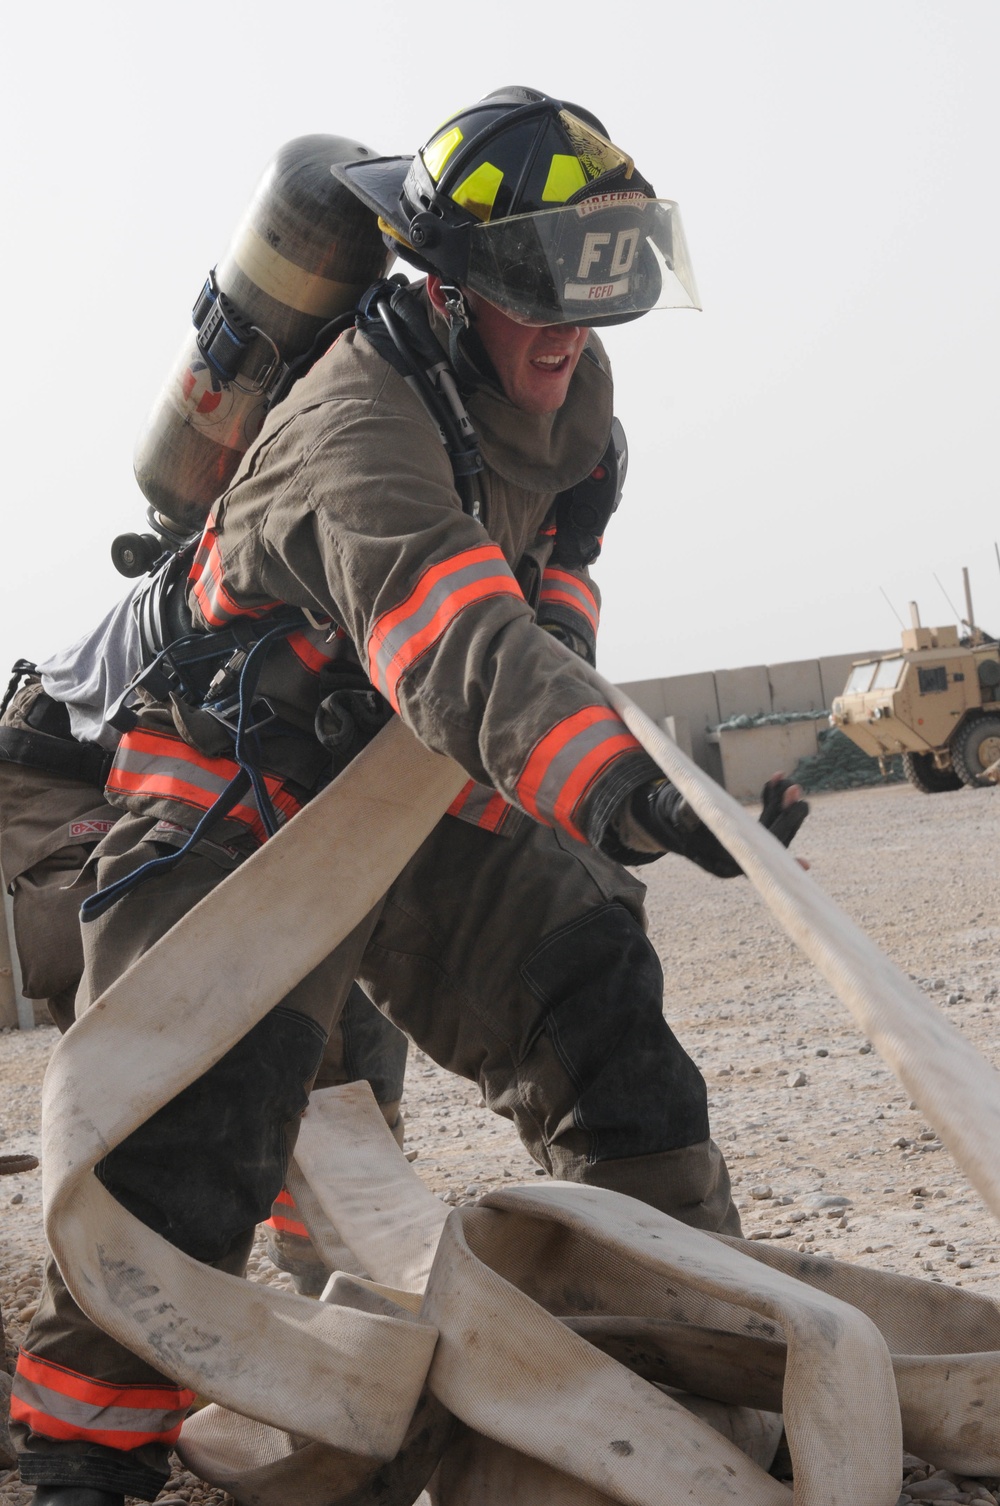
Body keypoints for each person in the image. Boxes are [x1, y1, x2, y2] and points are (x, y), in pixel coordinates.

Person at [10, 86, 808, 1506]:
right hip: (240, 779)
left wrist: (646, 804)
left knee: (594, 995)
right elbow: (453, 637)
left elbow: (545, 615)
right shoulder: (354, 427)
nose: (568, 330)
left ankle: (688, 1360)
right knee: (194, 1119)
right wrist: (619, 781)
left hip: (414, 768)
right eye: (533, 294)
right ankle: (80, 1456)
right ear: (450, 287)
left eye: (596, 289)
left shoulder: (577, 410)